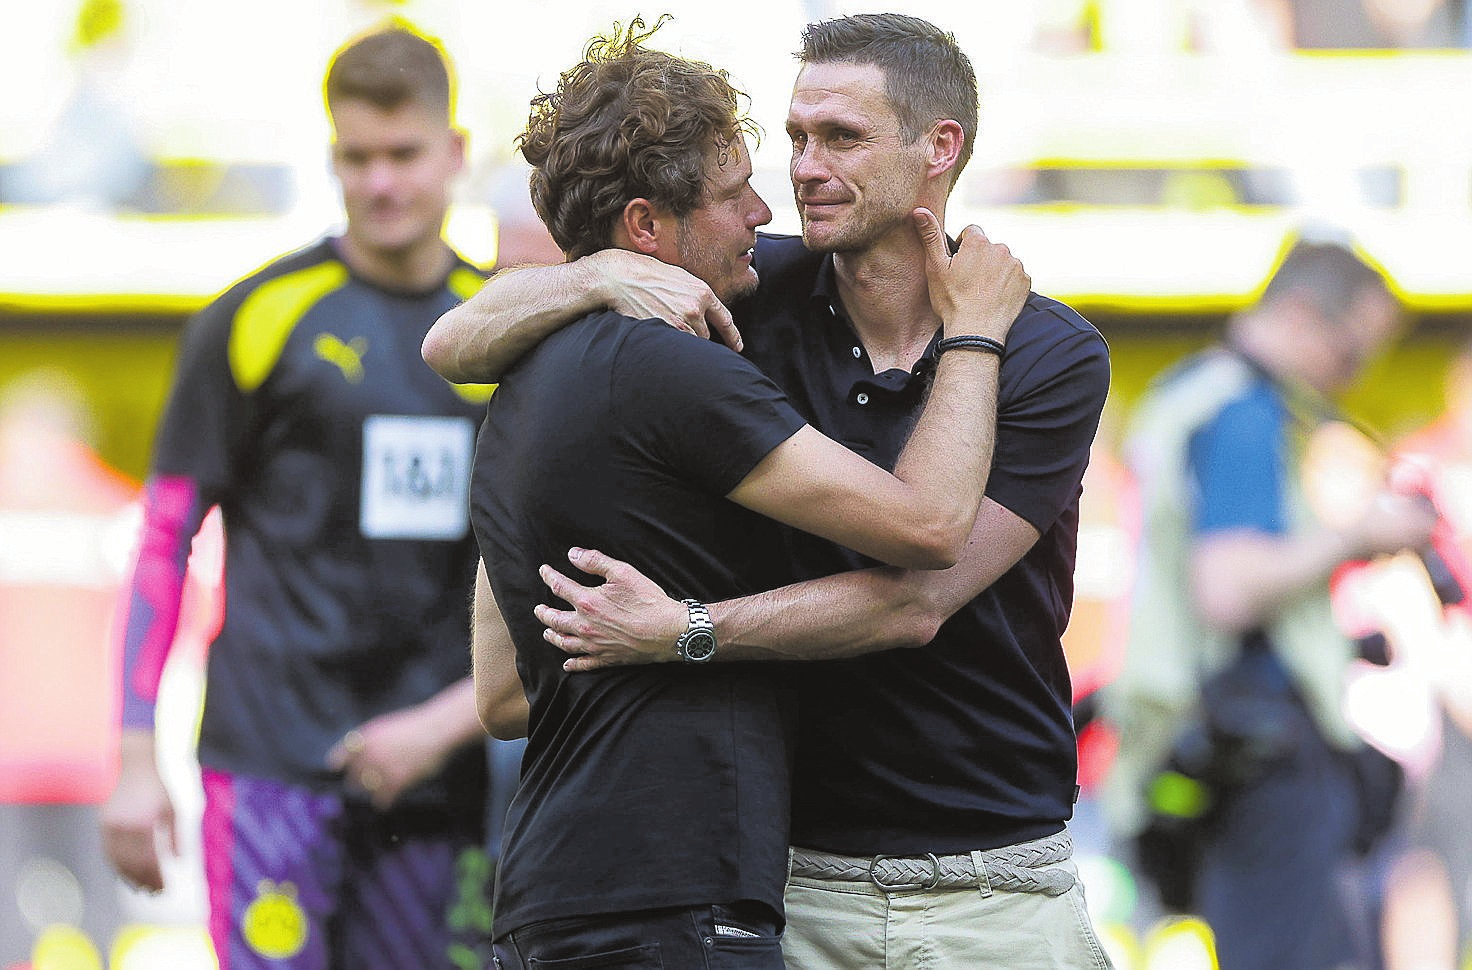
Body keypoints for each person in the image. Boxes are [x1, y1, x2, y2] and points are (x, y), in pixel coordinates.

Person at [423, 13, 1112, 969]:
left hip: (992, 884)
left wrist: (686, 630)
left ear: (938, 149)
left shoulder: (1048, 349)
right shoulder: (746, 288)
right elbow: (453, 343)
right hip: (788, 881)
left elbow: (918, 596)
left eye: (842, 137)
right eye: (795, 137)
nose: (803, 170)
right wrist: (598, 275)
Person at [100, 24, 496, 969]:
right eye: (357, 158)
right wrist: (129, 755)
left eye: (404, 155)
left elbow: (544, 575)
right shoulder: (254, 320)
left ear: (453, 154)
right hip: (269, 766)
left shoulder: (502, 335)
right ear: (332, 158)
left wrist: (443, 727)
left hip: (435, 778)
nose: (382, 182)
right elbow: (163, 541)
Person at [1101, 237, 1439, 970]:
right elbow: (1228, 589)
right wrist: (1360, 532)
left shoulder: (1188, 391)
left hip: (1201, 734)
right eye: (1351, 354)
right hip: (1257, 746)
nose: (1352, 379)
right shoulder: (1244, 409)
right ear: (1299, 313)